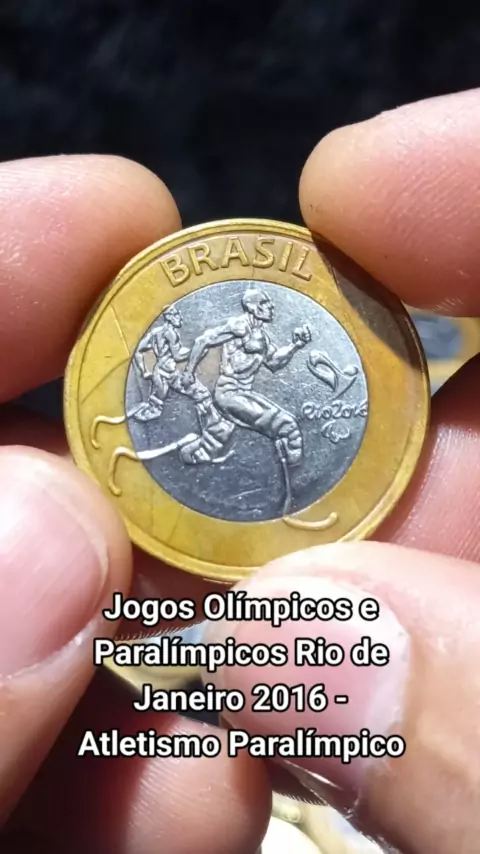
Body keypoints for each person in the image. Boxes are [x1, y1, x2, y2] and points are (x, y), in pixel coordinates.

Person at [1, 88, 479, 854]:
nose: (260, 318)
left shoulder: (260, 334)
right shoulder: (225, 330)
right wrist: (199, 393)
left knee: (271, 427)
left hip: (232, 405)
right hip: (217, 397)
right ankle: (273, 480)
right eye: (257, 314)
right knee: (277, 426)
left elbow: (274, 355)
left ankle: (266, 478)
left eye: (261, 315)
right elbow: (199, 354)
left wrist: (296, 354)